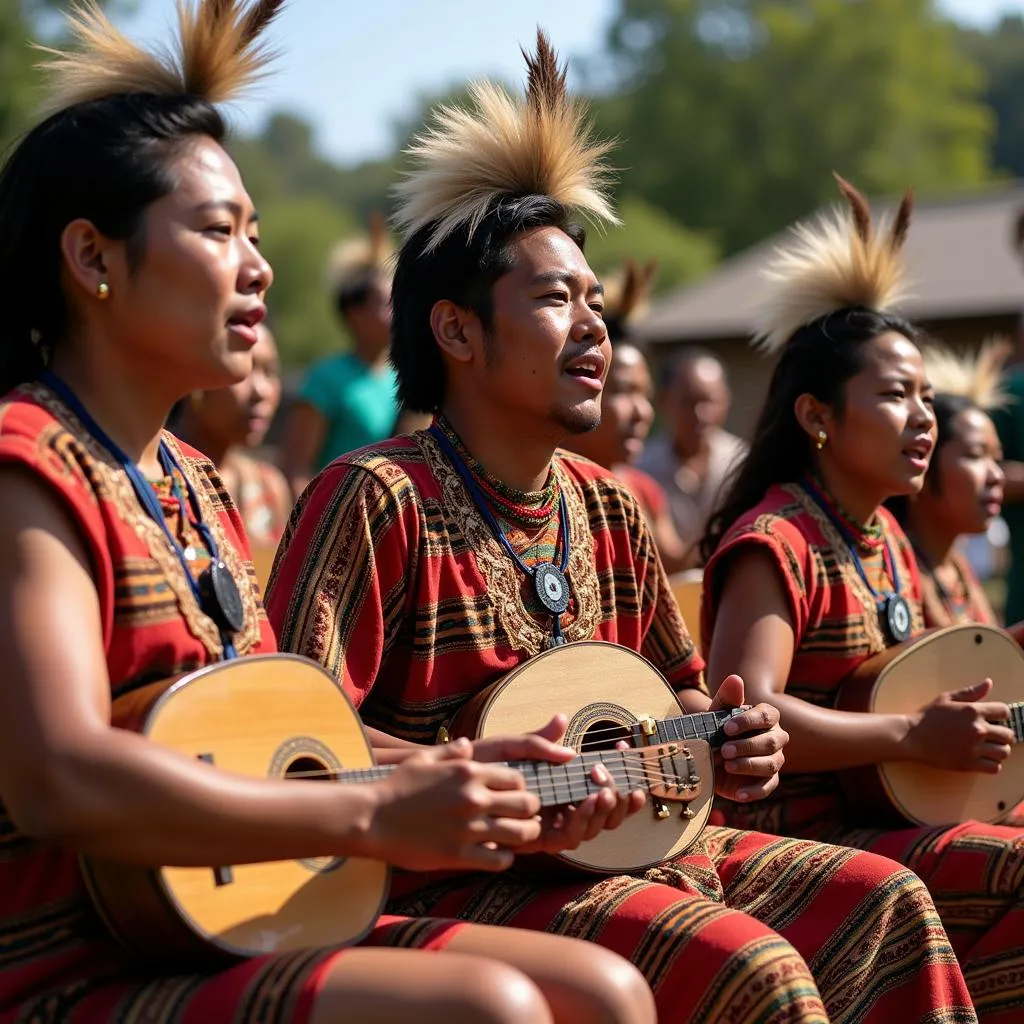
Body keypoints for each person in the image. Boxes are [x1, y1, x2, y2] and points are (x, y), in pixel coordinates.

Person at [267, 35, 976, 1024]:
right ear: (457, 332)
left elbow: (685, 694)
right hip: (453, 883)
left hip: (643, 843)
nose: (595, 326)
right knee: (752, 970)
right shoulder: (374, 495)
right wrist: (476, 772)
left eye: (596, 301)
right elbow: (293, 741)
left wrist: (735, 739)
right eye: (556, 299)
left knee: (890, 903)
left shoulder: (606, 503)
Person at [0, 5, 663, 1022]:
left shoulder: (191, 482)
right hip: (71, 964)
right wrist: (375, 806)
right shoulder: (25, 463)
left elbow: (285, 733)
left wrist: (464, 769)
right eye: (220, 230)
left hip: (226, 916)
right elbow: (57, 775)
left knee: (606, 993)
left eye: (255, 233)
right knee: (498, 1008)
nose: (259, 265)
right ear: (92, 258)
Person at [700, 173, 1024, 1020]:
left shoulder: (885, 542)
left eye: (924, 396)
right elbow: (748, 716)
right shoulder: (777, 541)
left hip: (892, 813)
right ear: (817, 416)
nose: (922, 418)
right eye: (893, 394)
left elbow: (926, 683)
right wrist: (914, 733)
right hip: (799, 832)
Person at [567, 260, 687, 573]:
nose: (643, 412)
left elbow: (676, 570)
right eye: (624, 391)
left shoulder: (642, 491)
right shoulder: (542, 487)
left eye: (645, 396)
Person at [888, 339, 1014, 630]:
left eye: (997, 459)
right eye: (975, 455)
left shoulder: (956, 569)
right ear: (923, 461)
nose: (997, 475)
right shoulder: (894, 574)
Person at [282, 214, 399, 497]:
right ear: (354, 314)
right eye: (386, 304)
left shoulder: (407, 377)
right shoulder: (326, 379)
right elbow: (297, 467)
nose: (397, 314)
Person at [175, 321, 292, 547]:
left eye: (270, 371)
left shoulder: (269, 486)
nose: (261, 391)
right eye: (242, 372)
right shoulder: (158, 477)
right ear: (196, 376)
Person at [638, 347, 747, 566]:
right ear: (664, 402)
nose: (700, 415)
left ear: (726, 400)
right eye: (688, 402)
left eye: (708, 401)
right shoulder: (641, 467)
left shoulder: (743, 463)